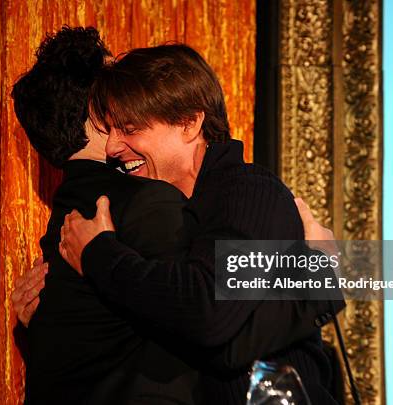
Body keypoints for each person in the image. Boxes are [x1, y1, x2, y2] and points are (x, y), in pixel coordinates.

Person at [56, 44, 345, 404]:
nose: (113, 147)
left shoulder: (247, 191)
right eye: (111, 130)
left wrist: (97, 255)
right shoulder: (169, 209)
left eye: (128, 128)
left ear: (189, 123)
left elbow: (207, 315)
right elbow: (181, 329)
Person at [11, 27, 201, 404]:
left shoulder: (62, 222)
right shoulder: (146, 203)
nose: (137, 92)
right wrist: (324, 266)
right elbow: (211, 308)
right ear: (101, 115)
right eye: (121, 84)